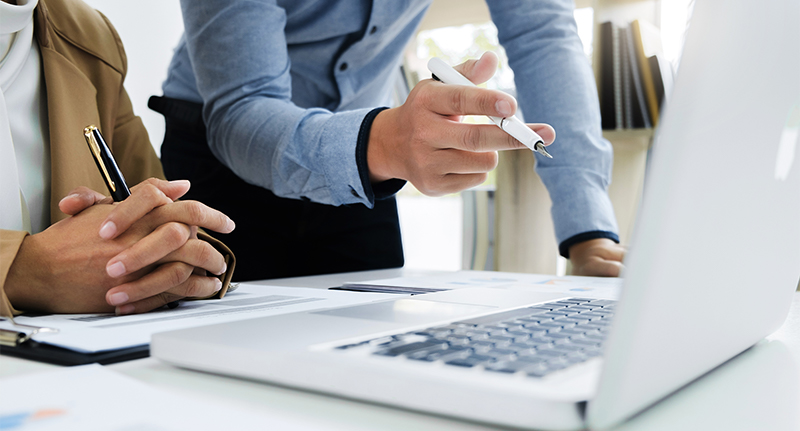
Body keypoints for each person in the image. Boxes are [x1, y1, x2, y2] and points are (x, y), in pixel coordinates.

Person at [153, 0, 625, 281]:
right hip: (220, 153)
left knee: (367, 351)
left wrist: (589, 232)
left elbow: (542, 33)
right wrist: (380, 145)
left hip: (361, 164)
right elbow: (243, 106)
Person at [0, 0, 237, 317]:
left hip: (78, 351)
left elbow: (161, 215)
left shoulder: (87, 34)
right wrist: (26, 270)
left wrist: (164, 247)